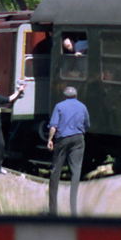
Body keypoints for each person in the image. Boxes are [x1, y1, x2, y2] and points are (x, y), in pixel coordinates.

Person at [47, 85, 90, 216]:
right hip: (78, 139)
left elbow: (53, 126)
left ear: (64, 95)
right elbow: (87, 124)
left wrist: (50, 140)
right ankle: (74, 211)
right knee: (75, 173)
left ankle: (53, 211)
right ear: (76, 95)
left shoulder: (59, 106)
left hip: (62, 139)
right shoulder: (82, 106)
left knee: (56, 172)